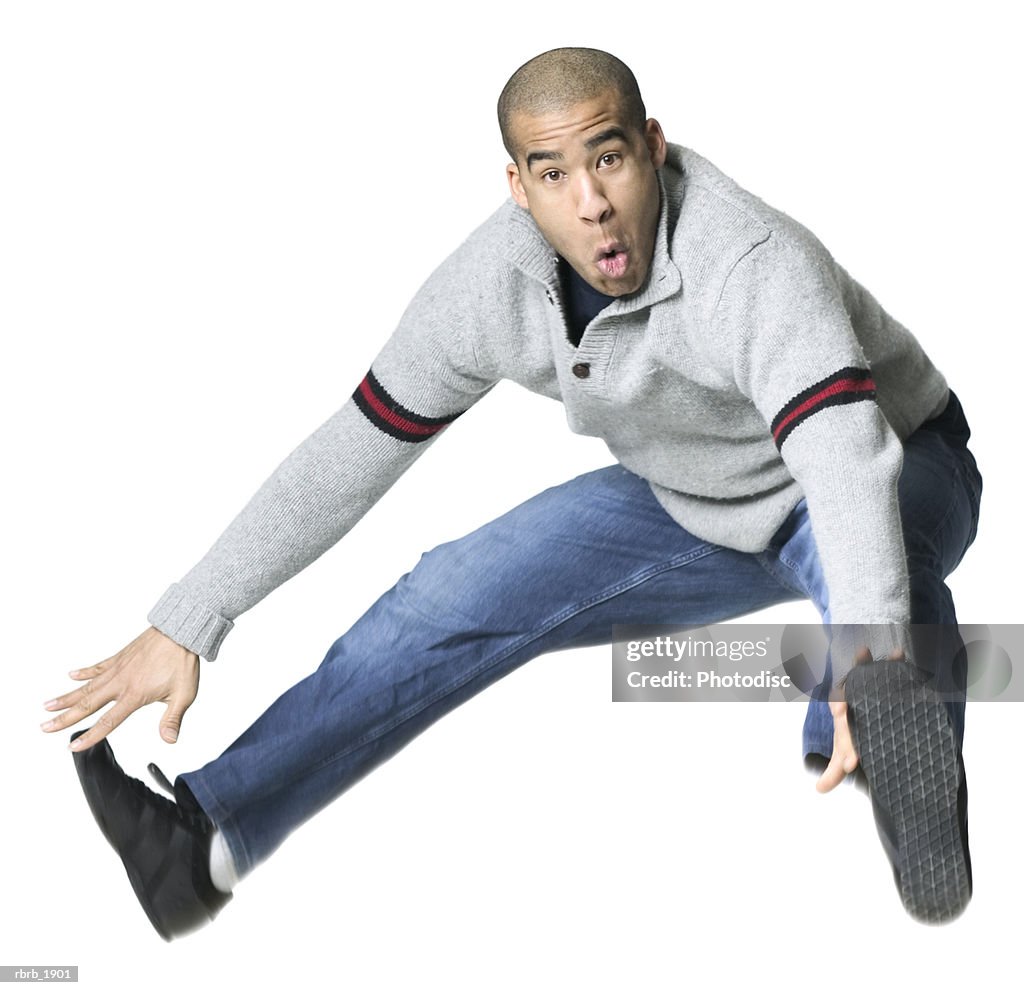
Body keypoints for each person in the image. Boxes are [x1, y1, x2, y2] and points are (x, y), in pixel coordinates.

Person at [42, 47, 982, 938]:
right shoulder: (491, 285)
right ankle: (198, 844)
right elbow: (351, 449)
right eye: (554, 174)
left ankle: (902, 770)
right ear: (516, 185)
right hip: (696, 493)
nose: (593, 205)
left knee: (882, 573)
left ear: (654, 145)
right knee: (446, 594)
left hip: (897, 457)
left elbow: (841, 455)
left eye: (610, 158)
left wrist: (866, 657)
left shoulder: (751, 262)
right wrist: (191, 616)